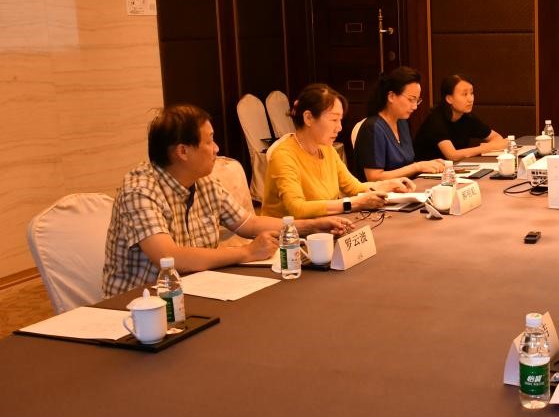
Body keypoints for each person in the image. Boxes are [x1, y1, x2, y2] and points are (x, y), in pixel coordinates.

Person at [103, 104, 350, 297]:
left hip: (196, 290)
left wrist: (312, 226)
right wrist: (245, 252)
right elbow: (170, 258)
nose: (217, 148)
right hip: (139, 307)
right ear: (182, 151)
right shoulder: (140, 190)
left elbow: (249, 224)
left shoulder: (204, 182)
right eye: (209, 141)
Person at [261, 84, 414, 219]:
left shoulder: (326, 149)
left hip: (323, 228)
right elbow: (297, 208)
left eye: (340, 120)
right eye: (334, 120)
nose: (339, 128)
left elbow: (354, 188)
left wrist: (388, 185)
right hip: (288, 237)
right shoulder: (284, 155)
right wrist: (352, 203)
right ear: (308, 118)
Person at [353, 66, 446, 180]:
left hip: (405, 187)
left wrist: (427, 164)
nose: (415, 106)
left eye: (417, 100)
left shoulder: (402, 123)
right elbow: (374, 177)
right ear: (391, 96)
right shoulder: (373, 128)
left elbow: (406, 165)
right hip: (381, 191)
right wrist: (418, 166)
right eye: (411, 99)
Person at [413, 75, 509, 161]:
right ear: (449, 99)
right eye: (464, 94)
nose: (470, 99)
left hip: (454, 169)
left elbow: (497, 138)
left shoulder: (467, 117)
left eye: (471, 93)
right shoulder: (436, 120)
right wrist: (487, 148)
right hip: (426, 172)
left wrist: (492, 146)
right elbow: (452, 155)